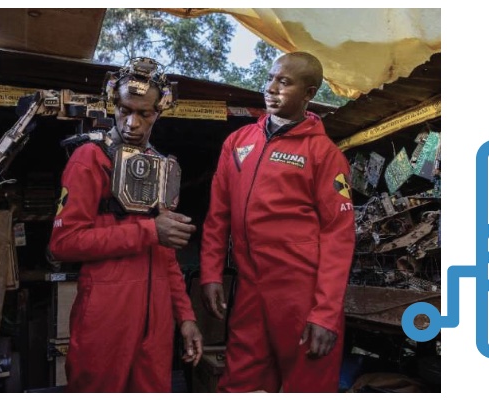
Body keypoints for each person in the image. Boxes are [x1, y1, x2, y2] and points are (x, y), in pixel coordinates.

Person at [199, 51, 356, 393]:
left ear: (309, 93)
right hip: (250, 287)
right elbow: (218, 214)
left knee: (306, 386)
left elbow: (338, 237)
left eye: (284, 82)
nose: (270, 88)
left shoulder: (326, 155)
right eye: (270, 78)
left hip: (301, 294)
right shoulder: (238, 143)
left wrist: (325, 314)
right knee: (238, 383)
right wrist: (211, 272)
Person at [48, 59, 203, 392]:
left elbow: (167, 254)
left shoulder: (161, 167)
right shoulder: (90, 158)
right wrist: (149, 231)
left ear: (159, 112)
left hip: (156, 321)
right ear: (112, 105)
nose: (132, 122)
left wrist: (185, 316)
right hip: (106, 315)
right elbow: (64, 243)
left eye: (144, 113)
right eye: (124, 109)